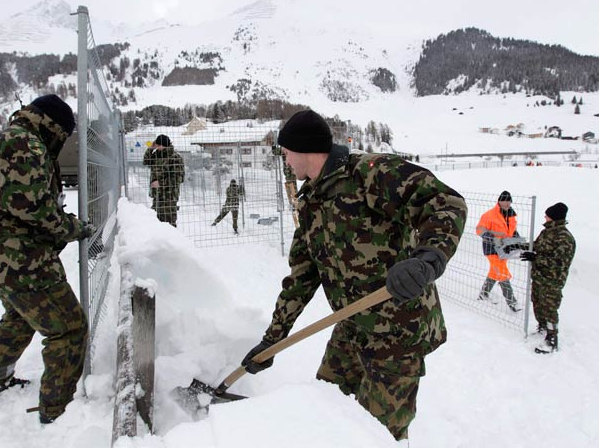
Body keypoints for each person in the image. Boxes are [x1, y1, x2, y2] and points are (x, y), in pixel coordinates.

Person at [240, 109, 467, 441]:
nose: (284, 159)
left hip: (397, 333)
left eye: (286, 152)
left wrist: (429, 257)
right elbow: (300, 280)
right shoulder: (311, 202)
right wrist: (273, 340)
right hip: (351, 326)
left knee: (377, 434)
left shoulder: (369, 175)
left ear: (304, 149)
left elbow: (443, 201)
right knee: (324, 411)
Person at [0, 94, 95, 424]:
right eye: (64, 135)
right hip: (22, 262)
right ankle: (58, 412)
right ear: (53, 126)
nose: (63, 142)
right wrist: (73, 227)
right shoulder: (24, 142)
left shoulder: (10, 137)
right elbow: (30, 206)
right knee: (69, 328)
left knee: (20, 316)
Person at [521, 203, 576, 354]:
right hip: (539, 277)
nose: (545, 217)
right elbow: (536, 246)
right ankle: (542, 327)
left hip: (552, 280)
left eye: (547, 215)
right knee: (537, 303)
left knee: (550, 308)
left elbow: (559, 262)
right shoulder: (547, 232)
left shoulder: (564, 238)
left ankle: (552, 339)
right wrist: (519, 246)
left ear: (554, 217)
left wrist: (536, 258)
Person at [475, 191, 520, 311]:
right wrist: (492, 238)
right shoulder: (489, 215)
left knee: (495, 272)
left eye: (508, 200)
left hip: (504, 249)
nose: (506, 203)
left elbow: (512, 231)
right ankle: (512, 302)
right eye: (504, 200)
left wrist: (517, 239)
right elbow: (479, 230)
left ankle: (484, 294)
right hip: (491, 249)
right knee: (502, 273)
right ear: (499, 201)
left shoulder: (511, 216)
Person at [142, 134, 185, 226]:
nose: (156, 147)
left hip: (169, 196)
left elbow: (178, 179)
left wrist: (160, 183)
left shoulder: (175, 158)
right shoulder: (157, 155)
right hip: (157, 195)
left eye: (157, 145)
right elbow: (145, 161)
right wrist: (150, 148)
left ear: (162, 145)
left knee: (168, 223)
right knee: (156, 223)